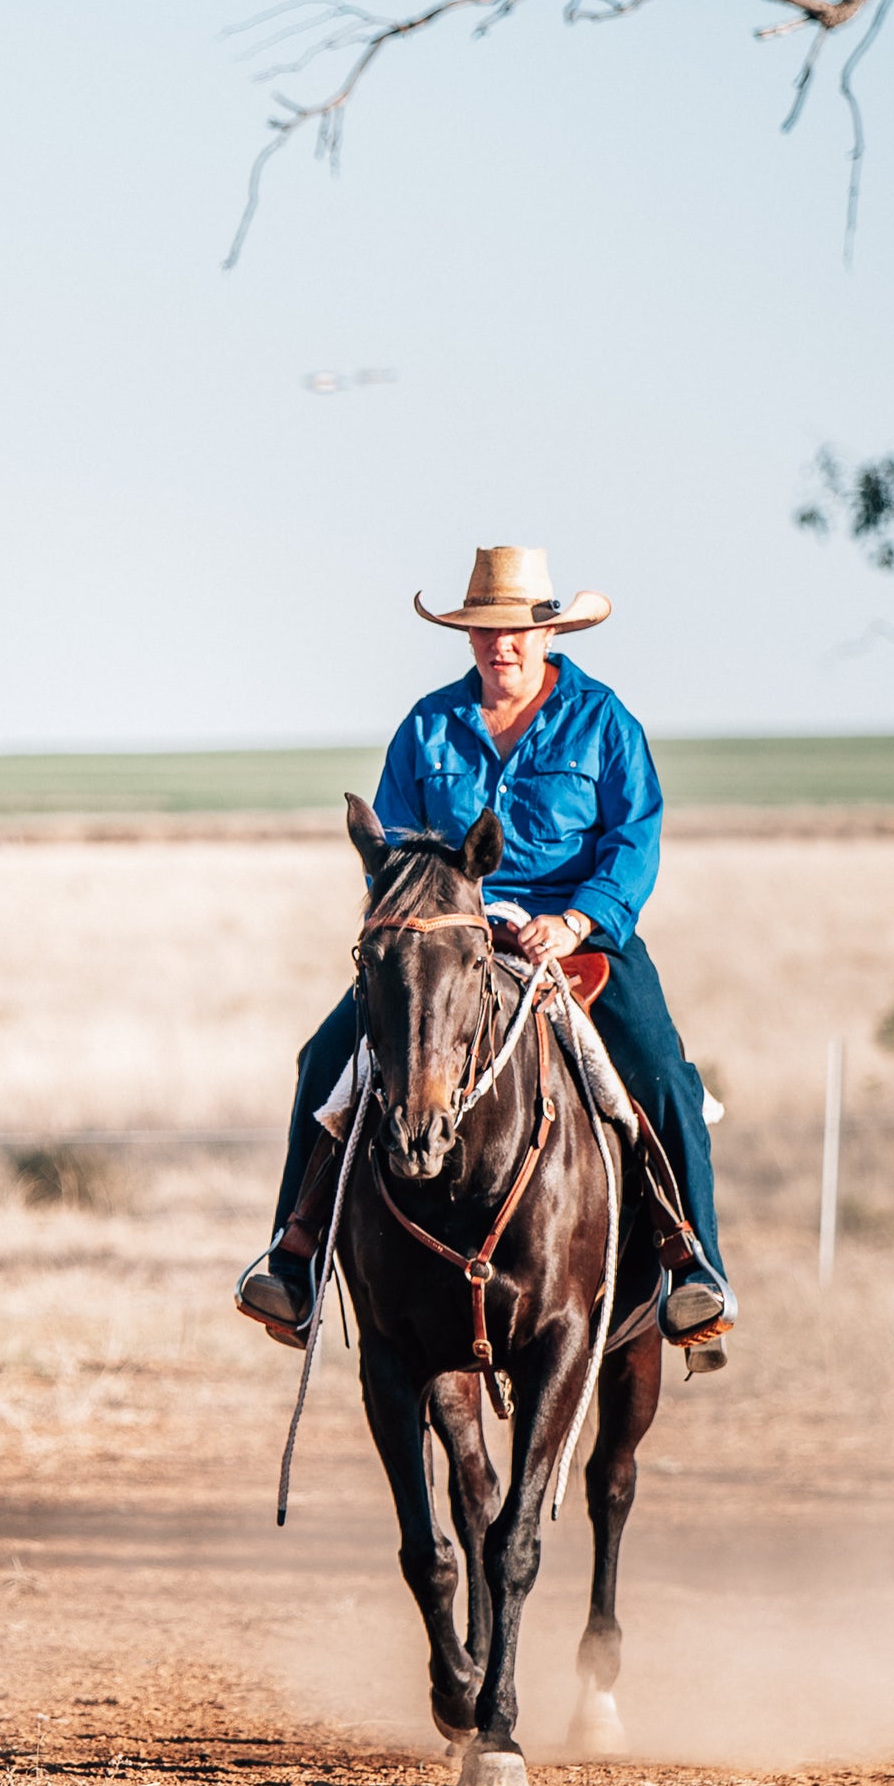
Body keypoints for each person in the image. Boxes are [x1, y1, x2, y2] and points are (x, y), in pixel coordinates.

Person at [234, 545, 734, 1351]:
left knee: (662, 1078)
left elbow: (634, 839)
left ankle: (695, 1265)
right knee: (323, 1061)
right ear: (467, 637)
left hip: (579, 939)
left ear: (547, 633)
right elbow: (391, 853)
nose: (501, 644)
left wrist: (575, 920)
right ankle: (294, 1261)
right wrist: (425, 924)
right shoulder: (428, 725)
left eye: (516, 630)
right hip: (447, 942)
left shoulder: (605, 722)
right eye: (485, 630)